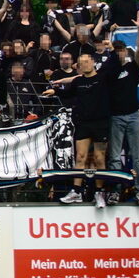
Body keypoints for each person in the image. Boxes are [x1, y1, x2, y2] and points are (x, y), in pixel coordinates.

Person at [45, 51, 122, 207]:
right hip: (83, 123)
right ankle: (76, 191)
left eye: (86, 61)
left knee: (99, 158)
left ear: (93, 62)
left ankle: (99, 193)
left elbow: (116, 63)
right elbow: (67, 92)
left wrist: (112, 46)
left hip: (100, 123)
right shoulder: (78, 82)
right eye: (81, 62)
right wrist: (55, 90)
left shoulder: (103, 78)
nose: (84, 65)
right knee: (80, 157)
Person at [105, 15, 139, 205]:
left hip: (133, 115)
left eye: (122, 50)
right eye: (117, 50)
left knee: (137, 157)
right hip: (116, 117)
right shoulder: (110, 70)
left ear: (125, 51)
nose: (120, 53)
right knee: (114, 157)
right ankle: (115, 190)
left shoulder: (132, 67)